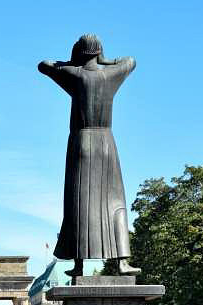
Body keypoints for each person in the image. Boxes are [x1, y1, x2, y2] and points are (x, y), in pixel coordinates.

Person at [38, 34, 137, 277]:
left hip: (81, 142)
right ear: (99, 52)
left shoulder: (75, 75)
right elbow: (130, 60)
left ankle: (79, 264)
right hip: (105, 143)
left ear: (78, 54)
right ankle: (122, 262)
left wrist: (72, 61)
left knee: (78, 204)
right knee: (116, 202)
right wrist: (105, 60)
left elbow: (45, 65)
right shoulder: (112, 75)